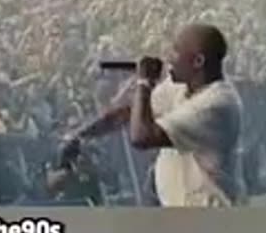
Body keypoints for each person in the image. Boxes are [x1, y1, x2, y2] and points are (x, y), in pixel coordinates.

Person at [65, 23, 245, 207]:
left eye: (176, 51)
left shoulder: (215, 104)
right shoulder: (181, 85)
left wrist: (144, 82)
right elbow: (127, 113)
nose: (168, 58)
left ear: (198, 61)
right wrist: (80, 135)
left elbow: (142, 137)